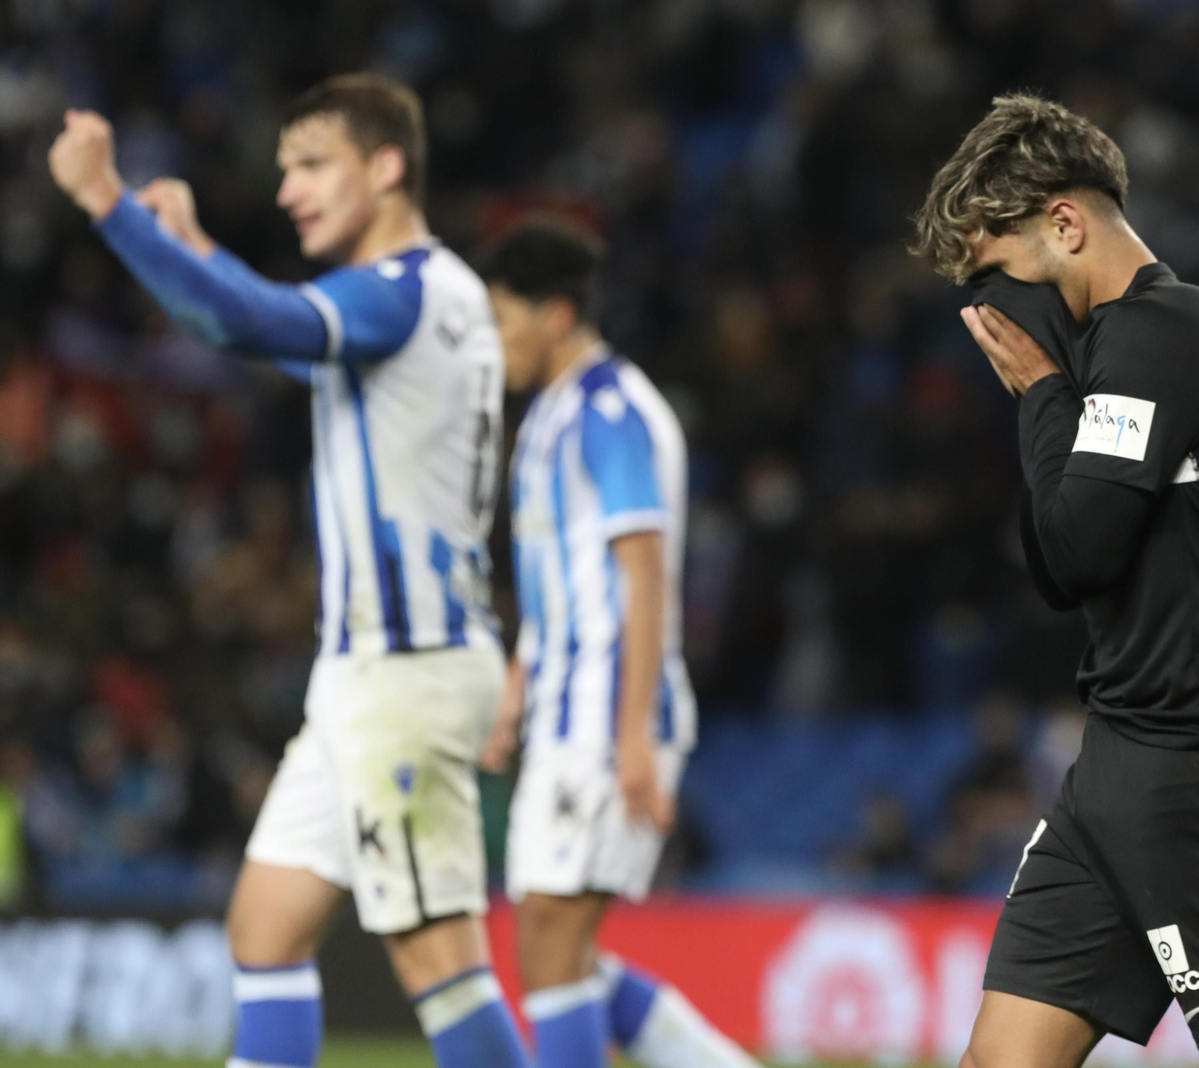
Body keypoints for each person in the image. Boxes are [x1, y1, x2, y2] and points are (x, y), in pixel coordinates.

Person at [48, 75, 528, 1068]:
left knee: (437, 961)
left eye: (311, 165)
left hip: (405, 674)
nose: (287, 191)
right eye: (284, 170)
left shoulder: (401, 292)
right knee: (264, 929)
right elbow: (290, 332)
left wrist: (107, 202)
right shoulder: (432, 297)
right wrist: (197, 250)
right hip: (370, 675)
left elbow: (251, 325)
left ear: (386, 166)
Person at [910, 93, 1199, 1068]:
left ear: (1066, 224)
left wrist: (1040, 396)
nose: (988, 314)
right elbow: (1056, 564)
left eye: (997, 276)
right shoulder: (1115, 357)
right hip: (1119, 761)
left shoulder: (1167, 328)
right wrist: (1050, 404)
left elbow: (1079, 552)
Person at [477, 219, 760, 1068]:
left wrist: (632, 735)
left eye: (504, 319)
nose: (495, 340)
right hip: (564, 713)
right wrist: (517, 690)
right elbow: (554, 581)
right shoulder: (548, 418)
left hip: (607, 716)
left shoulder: (614, 413)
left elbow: (645, 577)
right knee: (552, 945)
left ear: (556, 314)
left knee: (552, 939)